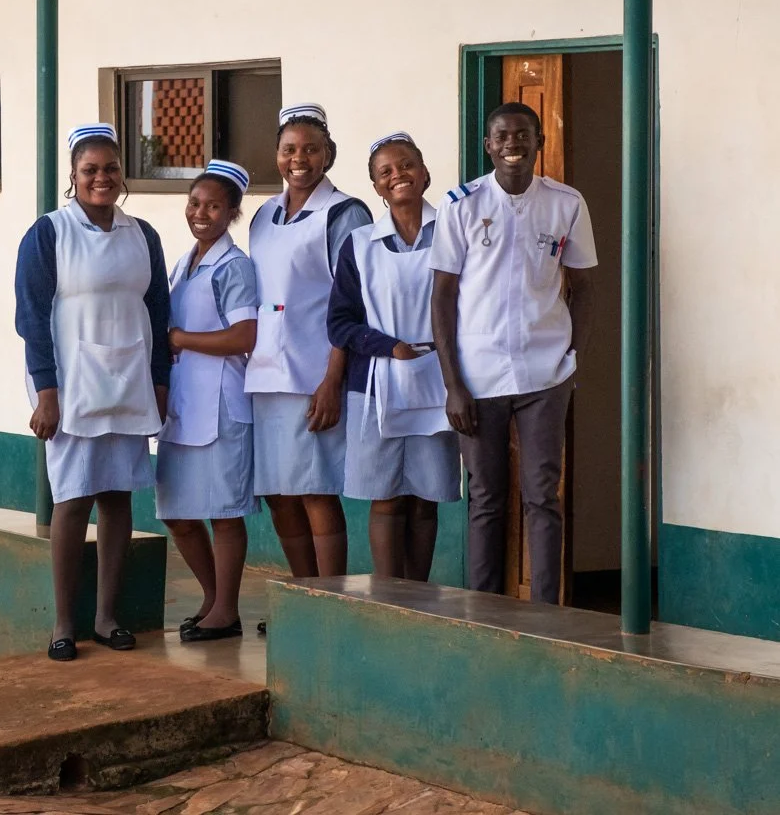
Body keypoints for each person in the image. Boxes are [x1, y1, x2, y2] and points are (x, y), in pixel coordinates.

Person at [15, 123, 172, 662]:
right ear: (73, 176)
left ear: (122, 173)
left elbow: (158, 310)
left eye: (110, 168)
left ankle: (107, 617)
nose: (101, 178)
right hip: (72, 382)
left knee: (117, 496)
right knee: (73, 498)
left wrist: (159, 381)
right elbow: (31, 317)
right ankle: (64, 623)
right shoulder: (49, 233)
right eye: (90, 170)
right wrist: (46, 391)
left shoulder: (142, 234)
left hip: (128, 377)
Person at [429, 102, 596, 605]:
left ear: (539, 141)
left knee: (543, 495)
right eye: (501, 136)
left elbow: (585, 287)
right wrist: (452, 384)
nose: (512, 144)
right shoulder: (460, 205)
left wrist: (572, 358)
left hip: (545, 373)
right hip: (477, 376)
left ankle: (546, 614)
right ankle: (484, 613)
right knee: (486, 497)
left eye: (523, 134)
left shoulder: (566, 203)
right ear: (488, 145)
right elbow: (441, 297)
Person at [246, 103, 371, 582]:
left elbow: (353, 303)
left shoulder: (344, 213)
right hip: (266, 375)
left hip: (314, 372)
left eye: (311, 149)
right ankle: (301, 591)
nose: (299, 159)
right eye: (289, 149)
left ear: (328, 155)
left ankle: (329, 596)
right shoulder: (263, 215)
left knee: (316, 488)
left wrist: (333, 380)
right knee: (279, 492)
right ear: (277, 154)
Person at [328, 133, 461, 581]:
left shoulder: (453, 232)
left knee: (424, 499)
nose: (397, 175)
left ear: (425, 174)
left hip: (440, 381)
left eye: (406, 165)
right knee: (385, 497)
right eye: (385, 172)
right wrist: (390, 347)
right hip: (375, 385)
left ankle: (417, 597)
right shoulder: (359, 243)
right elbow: (339, 323)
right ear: (376, 188)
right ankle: (388, 597)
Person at [156, 161, 259, 642]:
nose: (201, 213)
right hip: (184, 405)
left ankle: (227, 610)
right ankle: (213, 598)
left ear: (232, 213)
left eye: (214, 206)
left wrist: (181, 338)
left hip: (221, 406)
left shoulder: (234, 266)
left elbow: (245, 335)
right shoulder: (185, 263)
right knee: (177, 514)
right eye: (195, 203)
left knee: (223, 513)